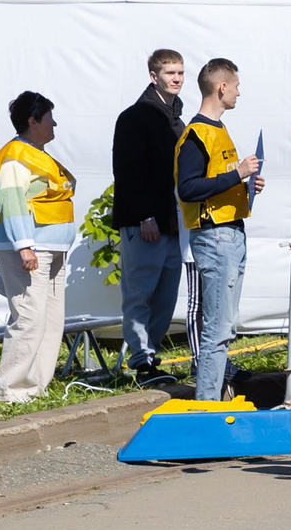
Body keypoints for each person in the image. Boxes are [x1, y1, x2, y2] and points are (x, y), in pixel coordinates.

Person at [177, 59, 265, 402]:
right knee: (216, 328)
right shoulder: (196, 133)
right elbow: (188, 188)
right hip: (214, 236)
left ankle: (214, 399)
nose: (239, 92)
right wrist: (237, 174)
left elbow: (215, 182)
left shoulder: (218, 129)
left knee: (225, 325)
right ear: (222, 87)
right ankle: (206, 405)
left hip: (230, 232)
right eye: (237, 85)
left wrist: (245, 186)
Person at [0, 91, 78, 403]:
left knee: (51, 319)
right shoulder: (15, 156)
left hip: (52, 248)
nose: (55, 123)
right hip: (31, 249)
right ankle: (11, 390)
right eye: (49, 117)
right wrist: (23, 246)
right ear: (33, 121)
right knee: (28, 316)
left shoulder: (36, 152)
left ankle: (36, 386)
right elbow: (12, 201)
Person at [110, 48, 186, 381]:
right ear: (154, 76)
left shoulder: (177, 119)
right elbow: (127, 171)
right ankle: (141, 360)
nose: (177, 79)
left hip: (171, 224)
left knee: (166, 295)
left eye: (181, 73)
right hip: (146, 222)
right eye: (171, 73)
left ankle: (149, 357)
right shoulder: (134, 117)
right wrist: (145, 216)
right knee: (140, 293)